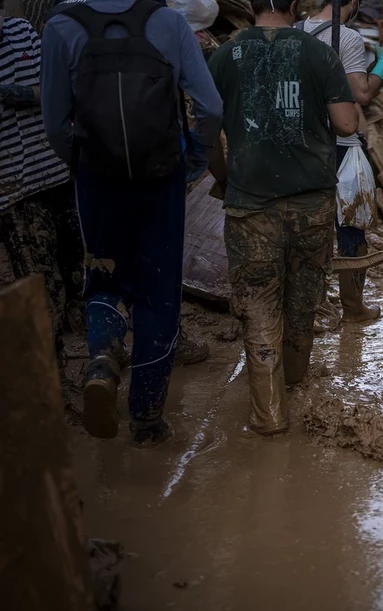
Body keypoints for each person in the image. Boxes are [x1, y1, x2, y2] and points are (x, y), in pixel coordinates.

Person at [41, 0, 222, 446]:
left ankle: (102, 359)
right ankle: (146, 420)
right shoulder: (169, 23)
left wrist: (83, 164)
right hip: (160, 178)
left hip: (97, 180)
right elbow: (210, 106)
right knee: (158, 293)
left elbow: (53, 122)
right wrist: (194, 159)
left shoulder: (62, 27)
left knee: (103, 278)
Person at [207, 0, 358, 436]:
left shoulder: (224, 55)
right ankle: (293, 376)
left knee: (257, 302)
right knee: (303, 293)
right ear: (295, 5)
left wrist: (223, 173)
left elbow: (205, 128)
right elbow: (346, 124)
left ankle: (270, 412)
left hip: (249, 203)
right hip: (310, 201)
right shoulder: (319, 53)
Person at [299, 0, 383, 323]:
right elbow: (362, 93)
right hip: (339, 143)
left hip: (301, 144)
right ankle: (353, 307)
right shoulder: (347, 37)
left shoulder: (295, 30)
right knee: (351, 224)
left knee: (304, 228)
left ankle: (305, 310)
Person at [0, 16, 84, 375]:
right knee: (39, 287)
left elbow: (50, 89)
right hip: (13, 192)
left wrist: (12, 93)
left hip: (55, 171)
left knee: (78, 272)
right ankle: (54, 380)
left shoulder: (20, 31)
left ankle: (99, 357)